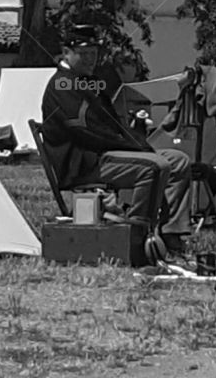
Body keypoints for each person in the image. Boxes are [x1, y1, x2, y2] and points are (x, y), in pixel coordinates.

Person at [40, 23, 192, 255]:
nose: (91, 59)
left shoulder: (88, 82)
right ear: (66, 53)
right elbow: (89, 133)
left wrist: (136, 137)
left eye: (94, 53)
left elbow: (112, 125)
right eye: (84, 53)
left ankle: (171, 233)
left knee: (178, 161)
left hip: (106, 154)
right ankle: (137, 235)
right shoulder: (62, 85)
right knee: (154, 166)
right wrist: (134, 147)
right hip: (85, 163)